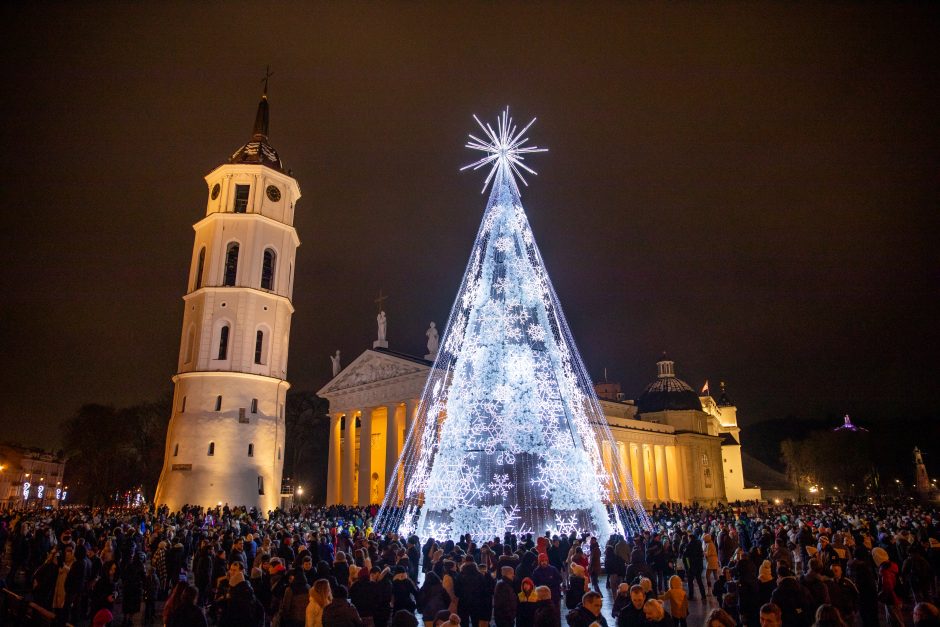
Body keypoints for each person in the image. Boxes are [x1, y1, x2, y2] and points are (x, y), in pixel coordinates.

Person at [872, 547, 903, 627]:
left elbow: (887, 587)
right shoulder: (892, 565)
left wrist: (880, 596)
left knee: (896, 620)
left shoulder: (884, 570)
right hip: (897, 595)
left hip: (891, 598)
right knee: (896, 618)